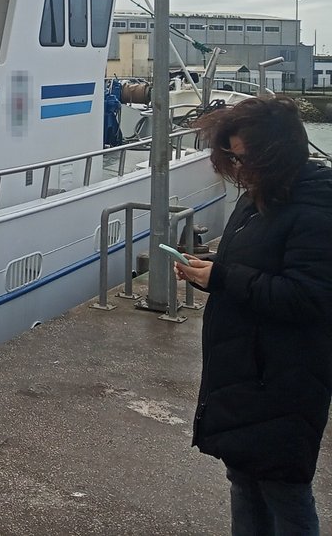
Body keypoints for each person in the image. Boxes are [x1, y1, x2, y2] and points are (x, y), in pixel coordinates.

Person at [174, 96, 332, 535]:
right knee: (243, 478)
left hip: (283, 378)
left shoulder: (317, 212)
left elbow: (308, 297)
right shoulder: (259, 198)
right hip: (244, 372)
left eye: (242, 158)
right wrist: (204, 269)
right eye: (230, 157)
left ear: (275, 156)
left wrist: (222, 278)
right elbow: (247, 268)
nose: (236, 169)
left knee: (284, 489)